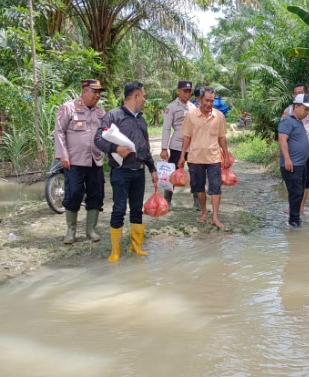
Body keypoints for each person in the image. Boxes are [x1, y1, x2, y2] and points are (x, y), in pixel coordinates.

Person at [94, 81, 159, 262]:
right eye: (143, 95)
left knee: (137, 210)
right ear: (135, 96)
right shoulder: (113, 116)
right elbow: (98, 139)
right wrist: (115, 148)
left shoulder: (141, 120)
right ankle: (115, 251)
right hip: (121, 171)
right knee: (119, 209)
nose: (145, 99)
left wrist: (152, 168)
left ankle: (136, 246)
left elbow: (144, 147)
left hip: (139, 172)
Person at [54, 79, 106, 244]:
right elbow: (59, 131)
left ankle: (91, 230)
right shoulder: (69, 108)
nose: (97, 95)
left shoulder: (100, 113)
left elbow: (106, 134)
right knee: (74, 193)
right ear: (84, 91)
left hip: (95, 160)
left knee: (96, 194)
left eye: (99, 92)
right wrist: (63, 155)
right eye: (94, 91)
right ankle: (71, 231)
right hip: (74, 161)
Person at [178, 87, 232, 229]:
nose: (209, 103)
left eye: (212, 101)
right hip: (195, 158)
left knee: (216, 188)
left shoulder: (219, 116)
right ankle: (204, 211)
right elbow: (187, 137)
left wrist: (226, 155)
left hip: (214, 158)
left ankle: (215, 216)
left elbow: (222, 137)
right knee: (199, 188)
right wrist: (182, 156)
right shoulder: (191, 115)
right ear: (200, 99)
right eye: (207, 100)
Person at [281, 84, 309, 216]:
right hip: (293, 151)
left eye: (300, 92)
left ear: (307, 93)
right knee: (293, 178)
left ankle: (301, 207)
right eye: (295, 93)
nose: (297, 95)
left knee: (306, 178)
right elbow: (282, 133)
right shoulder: (288, 110)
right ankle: (293, 206)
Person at [160, 80, 200, 210]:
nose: (187, 94)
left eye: (189, 91)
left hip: (193, 145)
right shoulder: (171, 107)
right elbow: (166, 128)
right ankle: (167, 200)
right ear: (178, 91)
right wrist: (164, 148)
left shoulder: (193, 108)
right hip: (177, 145)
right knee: (173, 172)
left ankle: (197, 201)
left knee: (195, 172)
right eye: (185, 91)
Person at [278, 94, 309, 228]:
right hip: (292, 165)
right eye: (305, 109)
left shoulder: (298, 122)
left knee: (299, 192)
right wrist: (287, 159)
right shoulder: (287, 121)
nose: (307, 112)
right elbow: (282, 139)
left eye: (308, 110)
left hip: (301, 164)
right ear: (296, 106)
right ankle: (294, 222)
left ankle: (295, 219)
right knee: (295, 193)